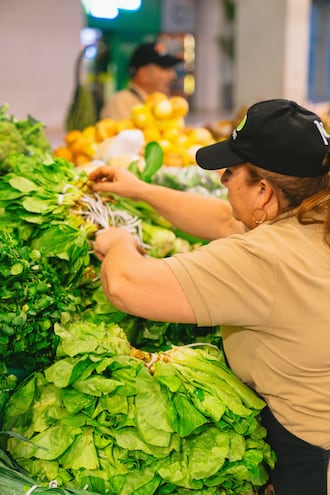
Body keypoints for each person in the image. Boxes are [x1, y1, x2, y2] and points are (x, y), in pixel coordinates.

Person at [90, 99, 330, 495]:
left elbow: (126, 285)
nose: (222, 180)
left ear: (264, 191)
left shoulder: (264, 260)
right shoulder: (313, 218)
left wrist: (119, 244)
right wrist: (140, 190)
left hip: (311, 464)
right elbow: (225, 220)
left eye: (232, 172)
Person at [100, 41, 183, 121]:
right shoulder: (121, 102)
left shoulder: (165, 104)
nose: (173, 75)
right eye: (165, 69)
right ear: (144, 74)